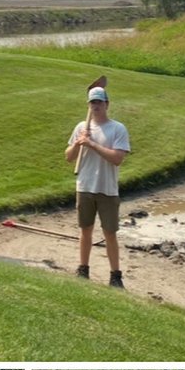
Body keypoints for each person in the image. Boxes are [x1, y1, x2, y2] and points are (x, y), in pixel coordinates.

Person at [64, 85, 131, 288]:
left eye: (99, 102)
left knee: (109, 232)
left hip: (107, 189)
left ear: (107, 104)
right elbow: (69, 157)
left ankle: (115, 276)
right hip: (84, 186)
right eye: (92, 102)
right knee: (85, 230)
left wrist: (92, 144)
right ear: (89, 105)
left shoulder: (117, 129)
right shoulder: (80, 127)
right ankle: (83, 269)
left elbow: (117, 158)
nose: (96, 106)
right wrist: (78, 143)